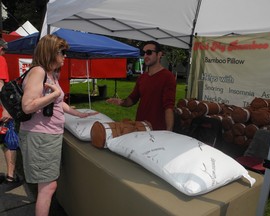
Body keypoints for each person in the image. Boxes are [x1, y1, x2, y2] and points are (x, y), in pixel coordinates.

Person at [18, 34, 98, 216]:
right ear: (51, 52)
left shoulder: (50, 74)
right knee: (47, 188)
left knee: (48, 186)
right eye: (62, 52)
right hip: (40, 137)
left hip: (48, 136)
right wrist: (53, 95)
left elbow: (57, 101)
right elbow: (28, 105)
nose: (65, 56)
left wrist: (77, 113)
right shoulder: (38, 72)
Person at [106, 41, 176, 131]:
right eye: (143, 53)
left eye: (149, 52)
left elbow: (169, 107)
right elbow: (133, 98)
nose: (146, 56)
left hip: (158, 130)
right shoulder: (142, 77)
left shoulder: (168, 77)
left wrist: (169, 131)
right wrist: (121, 102)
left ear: (159, 54)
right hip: (140, 127)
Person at [0, 38, 22, 189]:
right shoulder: (0, 60)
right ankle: (10, 176)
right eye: (3, 50)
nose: (4, 53)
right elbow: (0, 85)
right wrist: (6, 108)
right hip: (1, 112)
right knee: (10, 141)